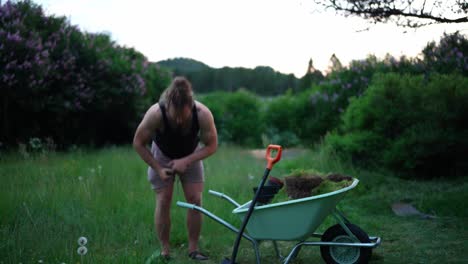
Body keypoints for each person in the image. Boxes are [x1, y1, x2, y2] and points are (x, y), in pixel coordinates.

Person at [133, 76, 218, 261]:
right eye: (175, 115)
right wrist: (157, 168)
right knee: (164, 200)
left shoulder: (203, 114)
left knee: (195, 200)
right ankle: (165, 251)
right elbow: (138, 143)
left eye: (184, 115)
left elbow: (212, 145)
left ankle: (193, 249)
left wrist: (187, 160)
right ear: (168, 104)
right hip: (162, 154)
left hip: (191, 154)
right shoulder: (155, 113)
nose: (179, 120)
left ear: (191, 105)